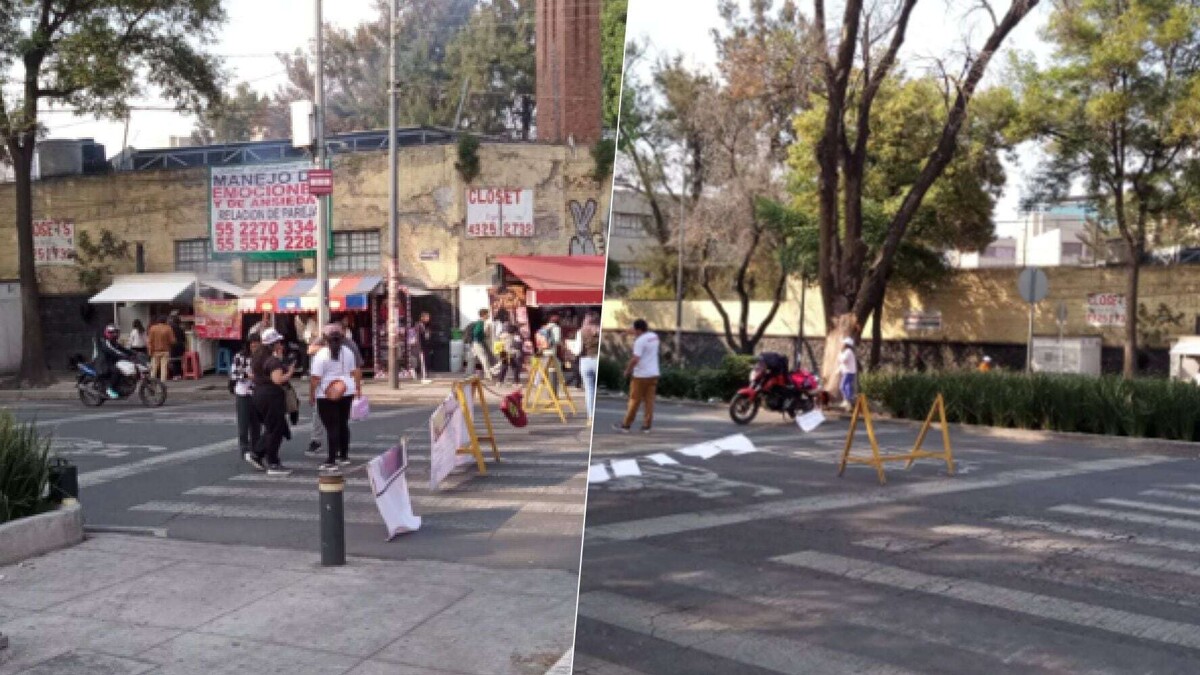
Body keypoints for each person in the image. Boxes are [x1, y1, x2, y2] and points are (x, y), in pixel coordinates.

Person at [310, 323, 362, 470]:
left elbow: (315, 378)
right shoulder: (348, 351)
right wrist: (357, 387)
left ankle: (331, 459)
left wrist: (312, 394)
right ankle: (343, 455)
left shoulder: (321, 355)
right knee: (343, 423)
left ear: (325, 339)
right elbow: (355, 371)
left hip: (326, 393)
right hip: (346, 390)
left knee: (331, 426)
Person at [247, 328, 294, 476]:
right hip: (271, 396)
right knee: (275, 429)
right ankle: (272, 461)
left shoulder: (257, 357)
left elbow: (252, 375)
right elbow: (278, 380)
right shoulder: (272, 361)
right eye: (278, 342)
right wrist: (290, 372)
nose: (280, 344)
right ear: (273, 344)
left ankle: (259, 453)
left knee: (272, 427)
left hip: (259, 394)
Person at [614, 319, 659, 433]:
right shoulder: (654, 337)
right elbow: (639, 332)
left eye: (634, 329)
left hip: (640, 375)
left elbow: (635, 359)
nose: (632, 330)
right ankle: (647, 426)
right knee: (649, 401)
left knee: (634, 400)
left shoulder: (639, 342)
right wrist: (627, 332)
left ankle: (626, 425)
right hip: (653, 373)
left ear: (638, 330)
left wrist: (627, 371)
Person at [229, 333, 262, 459]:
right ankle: (244, 448)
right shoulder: (240, 356)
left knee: (256, 423)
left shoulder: (262, 356)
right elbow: (234, 374)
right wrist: (247, 376)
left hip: (257, 393)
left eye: (257, 342)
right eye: (252, 342)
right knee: (243, 422)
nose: (254, 345)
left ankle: (257, 448)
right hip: (243, 392)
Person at [96, 324, 134, 399]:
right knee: (116, 371)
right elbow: (112, 352)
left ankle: (120, 387)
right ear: (108, 333)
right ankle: (109, 389)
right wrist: (124, 356)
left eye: (116, 332)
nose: (115, 334)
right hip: (104, 363)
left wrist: (134, 353)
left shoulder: (114, 342)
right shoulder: (105, 342)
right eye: (113, 332)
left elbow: (123, 349)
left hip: (112, 361)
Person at [578, 312, 601, 422]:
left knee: (589, 390)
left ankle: (590, 417)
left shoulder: (581, 332)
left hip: (585, 361)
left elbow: (578, 349)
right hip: (597, 359)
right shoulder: (599, 330)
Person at [463, 308, 495, 381]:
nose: (489, 315)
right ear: (484, 315)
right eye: (488, 314)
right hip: (477, 343)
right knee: (484, 359)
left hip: (474, 343)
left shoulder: (479, 322)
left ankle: (468, 375)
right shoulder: (481, 322)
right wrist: (483, 335)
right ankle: (489, 376)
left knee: (473, 359)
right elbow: (477, 332)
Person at [147, 315, 175, 382]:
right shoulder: (168, 328)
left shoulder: (152, 328)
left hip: (155, 351)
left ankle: (152, 382)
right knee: (164, 368)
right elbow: (172, 341)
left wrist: (150, 351)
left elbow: (149, 341)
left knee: (153, 368)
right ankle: (162, 383)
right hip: (165, 351)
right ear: (165, 321)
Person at [838, 337, 858, 410]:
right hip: (849, 371)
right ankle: (848, 402)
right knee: (847, 386)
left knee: (842, 386)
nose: (842, 344)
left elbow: (843, 360)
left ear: (846, 344)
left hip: (848, 372)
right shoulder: (848, 351)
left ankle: (847, 400)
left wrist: (840, 353)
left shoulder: (848, 351)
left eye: (843, 343)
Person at [168, 311, 186, 380]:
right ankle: (179, 375)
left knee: (174, 360)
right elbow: (184, 338)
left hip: (173, 345)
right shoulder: (181, 328)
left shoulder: (170, 327)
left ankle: (175, 375)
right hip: (180, 345)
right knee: (179, 360)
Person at [417, 312, 433, 383]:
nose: (428, 319)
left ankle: (425, 373)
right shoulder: (419, 325)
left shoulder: (428, 325)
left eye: (428, 317)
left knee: (426, 359)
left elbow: (428, 335)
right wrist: (419, 346)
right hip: (421, 345)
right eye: (426, 317)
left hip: (427, 345)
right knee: (422, 360)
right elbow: (418, 337)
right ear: (422, 318)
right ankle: (423, 375)